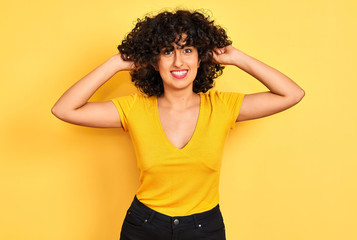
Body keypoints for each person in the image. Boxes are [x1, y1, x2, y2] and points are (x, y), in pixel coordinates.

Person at [51, 9, 304, 240]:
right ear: (153, 60)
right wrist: (116, 63)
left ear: (200, 57)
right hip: (144, 226)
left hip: (205, 228)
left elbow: (291, 94)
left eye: (187, 50)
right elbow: (64, 109)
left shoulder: (222, 107)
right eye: (167, 51)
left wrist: (237, 57)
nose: (178, 62)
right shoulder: (135, 108)